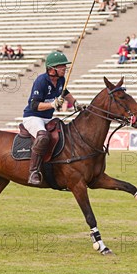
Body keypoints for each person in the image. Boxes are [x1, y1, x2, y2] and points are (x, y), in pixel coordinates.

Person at [22, 51, 85, 185]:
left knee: (64, 131)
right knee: (43, 136)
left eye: (64, 66)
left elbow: (65, 92)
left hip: (47, 118)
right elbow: (33, 105)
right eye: (62, 66)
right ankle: (33, 172)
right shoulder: (41, 81)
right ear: (52, 69)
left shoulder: (61, 80)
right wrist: (52, 104)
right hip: (33, 117)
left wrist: (75, 103)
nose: (65, 69)